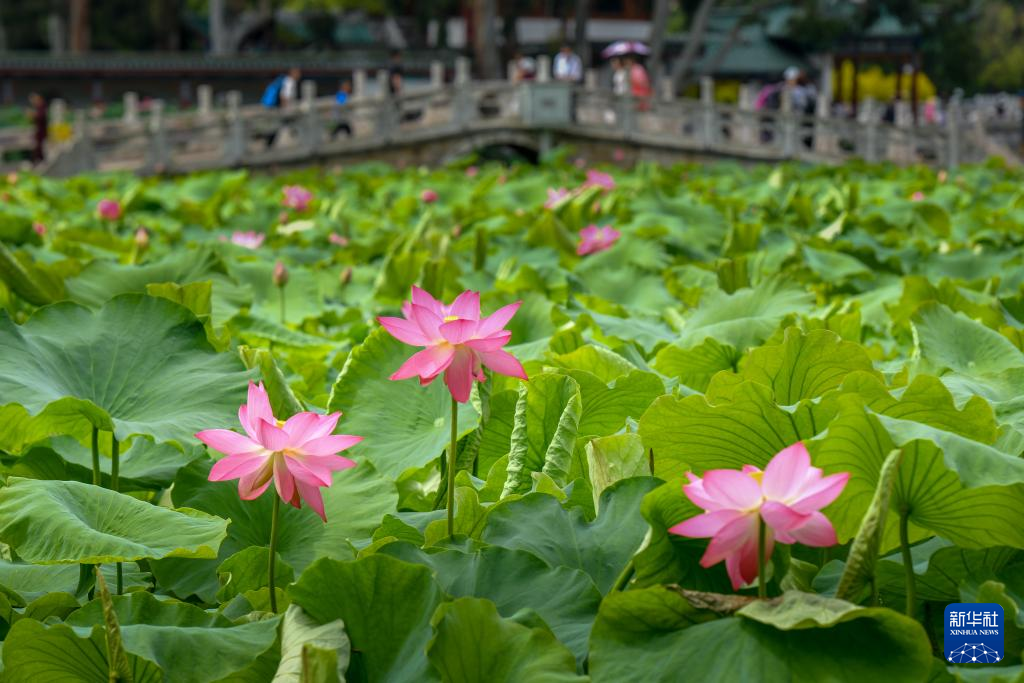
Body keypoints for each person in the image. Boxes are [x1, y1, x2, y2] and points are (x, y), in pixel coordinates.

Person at [264, 66, 301, 148]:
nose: (299, 75)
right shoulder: (290, 82)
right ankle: (269, 143)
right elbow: (284, 96)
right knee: (280, 124)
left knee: (280, 125)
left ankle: (269, 143)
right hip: (283, 109)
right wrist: (285, 108)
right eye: (297, 73)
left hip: (278, 108)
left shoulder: (285, 81)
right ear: (292, 73)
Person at [27, 92, 48, 164]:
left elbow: (41, 117)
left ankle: (42, 161)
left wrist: (33, 115)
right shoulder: (38, 108)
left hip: (42, 132)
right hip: (38, 132)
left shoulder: (42, 107)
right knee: (37, 147)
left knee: (42, 147)